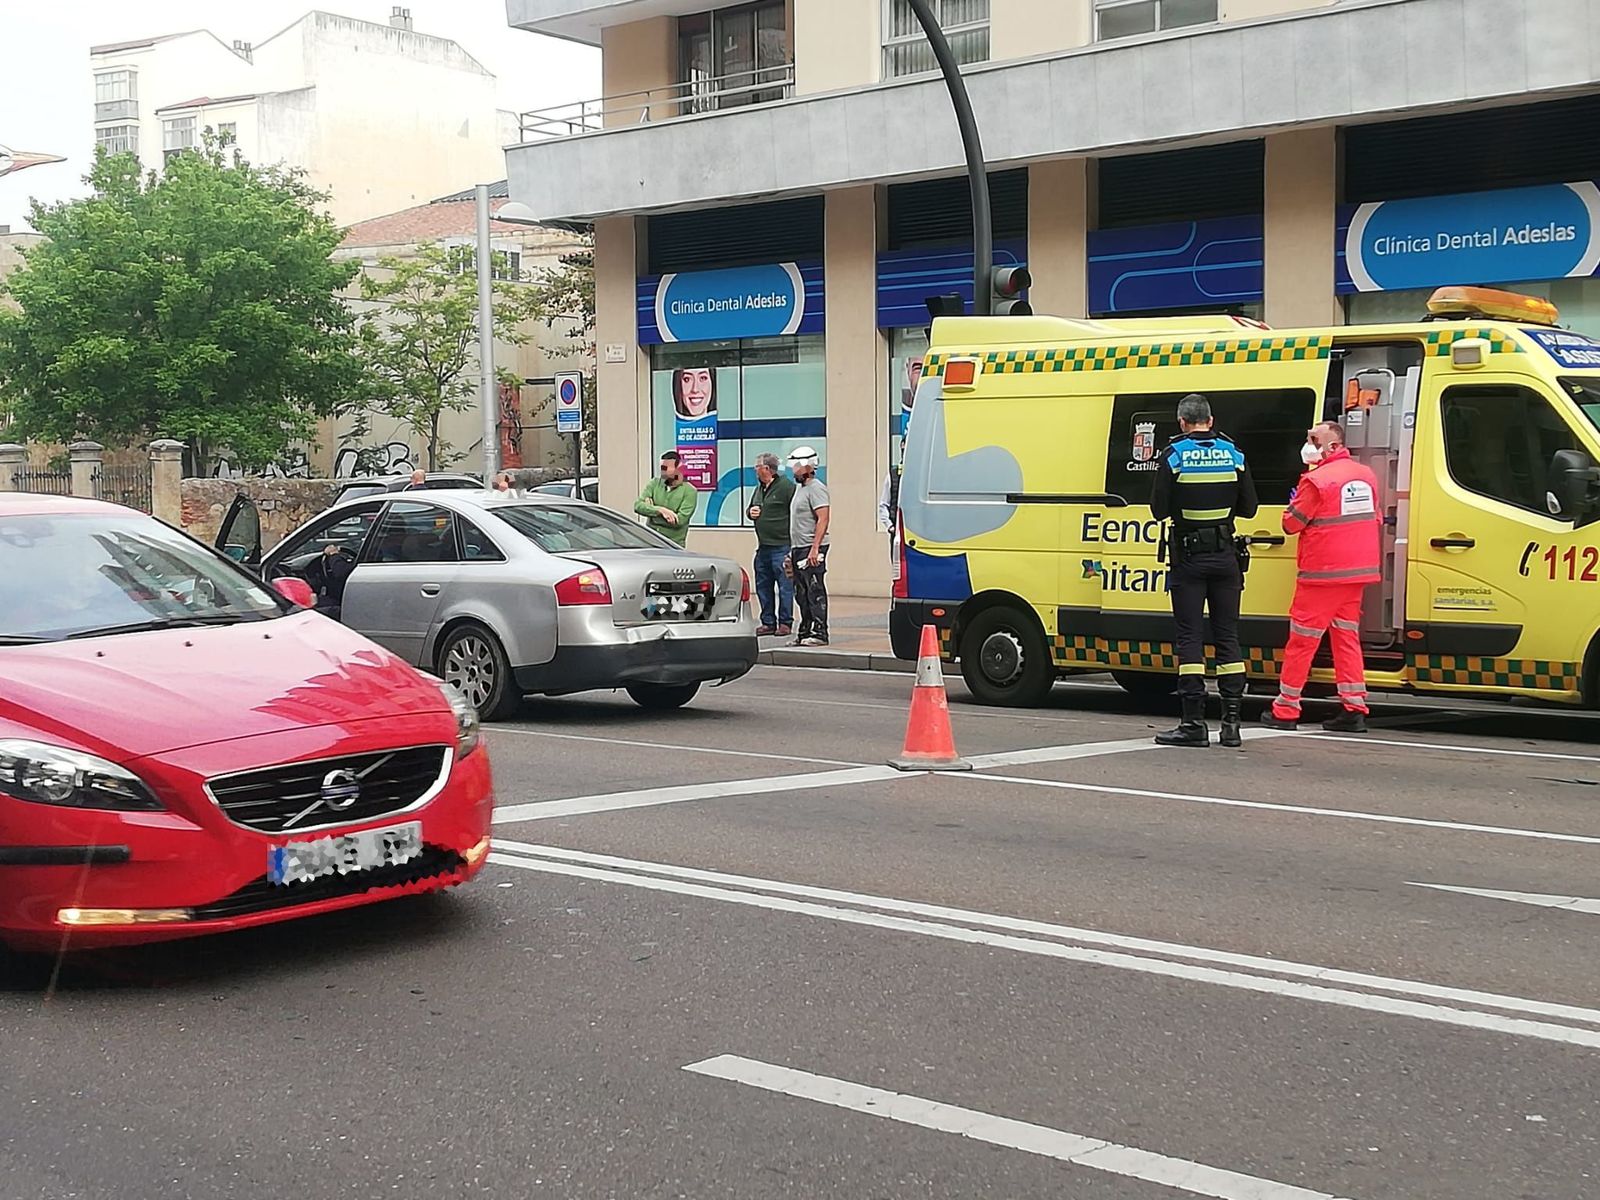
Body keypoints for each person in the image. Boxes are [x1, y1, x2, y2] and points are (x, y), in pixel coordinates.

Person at [1149, 393, 1258, 749]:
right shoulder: (1234, 454)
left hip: (1189, 559)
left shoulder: (1174, 456)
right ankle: (1231, 725)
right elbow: (1250, 507)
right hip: (1226, 557)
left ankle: (1193, 723)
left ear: (1182, 422)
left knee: (1190, 639)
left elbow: (1158, 510)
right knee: (1228, 637)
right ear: (1210, 421)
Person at [1261, 421, 1381, 733]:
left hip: (1322, 573)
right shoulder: (1365, 475)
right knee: (1346, 637)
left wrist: (1289, 508)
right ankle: (1353, 706)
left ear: (1333, 446)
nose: (1309, 444)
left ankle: (1286, 708)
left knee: (1302, 641)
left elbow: (1292, 524)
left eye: (1314, 439)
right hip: (1357, 572)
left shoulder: (1316, 481)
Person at [786, 446, 831, 646]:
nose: (794, 471)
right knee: (801, 592)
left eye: (797, 466)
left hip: (811, 547)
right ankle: (805, 631)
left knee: (814, 589)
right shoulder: (800, 489)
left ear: (808, 466)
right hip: (798, 547)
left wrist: (815, 548)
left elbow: (823, 519)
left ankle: (820, 632)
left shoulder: (817, 488)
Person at [747, 452, 795, 636]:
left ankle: (785, 622)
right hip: (763, 546)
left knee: (785, 586)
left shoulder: (785, 487)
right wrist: (750, 512)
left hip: (781, 546)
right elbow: (750, 508)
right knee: (763, 585)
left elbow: (796, 510)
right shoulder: (759, 488)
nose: (755, 470)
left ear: (766, 469)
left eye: (757, 467)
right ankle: (768, 622)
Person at [633, 450, 698, 547]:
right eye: (662, 467)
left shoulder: (690, 491)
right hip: (650, 541)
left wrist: (651, 513)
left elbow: (679, 520)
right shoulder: (654, 483)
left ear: (678, 468)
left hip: (672, 544)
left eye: (666, 468)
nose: (663, 471)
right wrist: (660, 510)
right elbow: (638, 506)